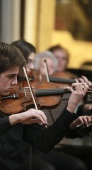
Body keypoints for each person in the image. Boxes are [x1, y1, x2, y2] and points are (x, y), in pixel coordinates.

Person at [0, 42, 89, 170]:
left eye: (16, 76)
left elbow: (44, 144)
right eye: (11, 76)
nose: (15, 82)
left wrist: (70, 107)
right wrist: (14, 119)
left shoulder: (19, 103)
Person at [12, 40, 91, 170]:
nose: (32, 68)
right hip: (21, 150)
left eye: (33, 62)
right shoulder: (21, 92)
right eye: (30, 62)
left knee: (78, 165)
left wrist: (76, 119)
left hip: (37, 146)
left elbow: (54, 131)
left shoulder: (34, 91)